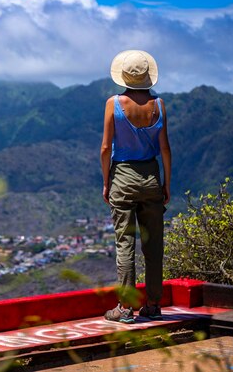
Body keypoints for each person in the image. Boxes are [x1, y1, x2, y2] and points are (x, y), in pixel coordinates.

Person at [100, 50, 172, 323]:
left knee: (125, 244)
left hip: (123, 176)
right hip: (152, 176)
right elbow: (165, 148)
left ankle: (126, 308)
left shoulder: (114, 103)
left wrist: (107, 181)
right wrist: (167, 183)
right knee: (153, 246)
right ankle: (153, 305)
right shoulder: (159, 105)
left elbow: (106, 147)